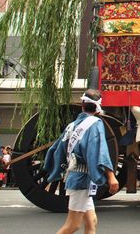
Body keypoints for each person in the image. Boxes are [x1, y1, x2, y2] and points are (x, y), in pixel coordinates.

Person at [45, 89, 119, 234]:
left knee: (91, 222)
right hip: (80, 180)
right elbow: (99, 151)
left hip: (78, 177)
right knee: (72, 225)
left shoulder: (72, 126)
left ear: (82, 104)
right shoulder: (95, 123)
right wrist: (110, 176)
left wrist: (55, 170)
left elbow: (57, 150)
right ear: (98, 108)